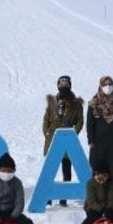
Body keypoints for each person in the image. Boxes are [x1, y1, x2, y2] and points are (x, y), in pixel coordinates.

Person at [86, 75, 113, 205]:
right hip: (99, 145)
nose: (108, 87)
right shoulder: (93, 104)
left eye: (110, 84)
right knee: (99, 172)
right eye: (105, 84)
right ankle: (97, 199)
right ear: (100, 86)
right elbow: (90, 124)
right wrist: (91, 140)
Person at [42, 75, 84, 206]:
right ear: (58, 85)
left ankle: (63, 198)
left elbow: (80, 121)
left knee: (67, 170)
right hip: (53, 140)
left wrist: (73, 134)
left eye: (66, 83)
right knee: (50, 171)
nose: (64, 86)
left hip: (67, 140)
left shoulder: (76, 104)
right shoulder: (52, 102)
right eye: (61, 83)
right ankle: (48, 197)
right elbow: (45, 120)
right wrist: (47, 133)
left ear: (70, 85)